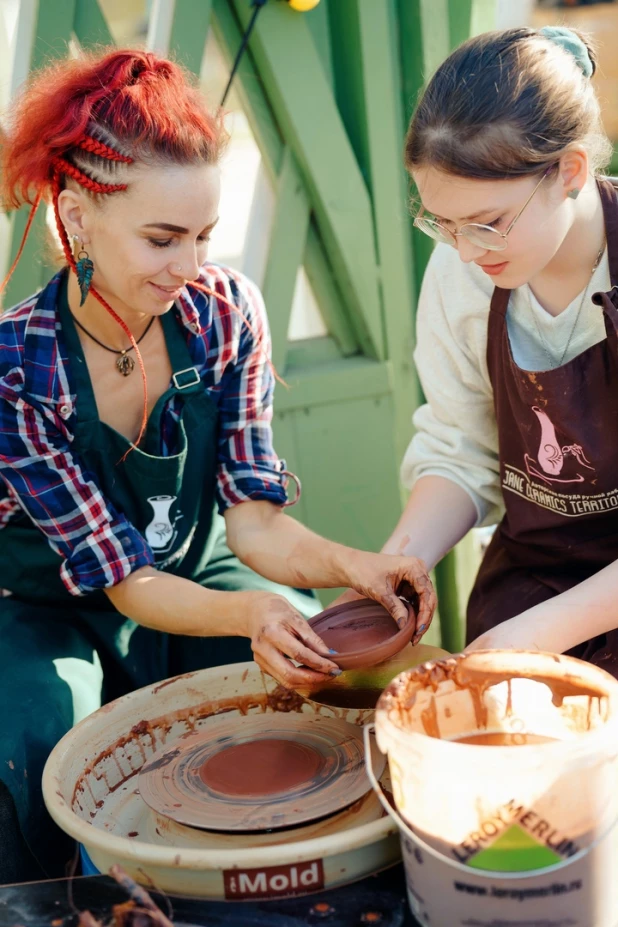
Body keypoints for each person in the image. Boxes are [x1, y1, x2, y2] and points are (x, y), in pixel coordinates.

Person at [0, 48, 435, 882]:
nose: (189, 266)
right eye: (162, 239)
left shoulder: (223, 314)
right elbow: (125, 583)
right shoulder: (19, 366)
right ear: (79, 215)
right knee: (33, 737)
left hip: (203, 560)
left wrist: (356, 564)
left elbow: (254, 521)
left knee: (320, 678)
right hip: (55, 603)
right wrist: (251, 616)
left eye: (204, 236)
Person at [382, 25, 618, 666]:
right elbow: (461, 449)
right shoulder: (462, 269)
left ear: (569, 170)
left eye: (487, 223)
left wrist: (539, 637)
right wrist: (401, 560)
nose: (464, 250)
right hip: (529, 582)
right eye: (442, 222)